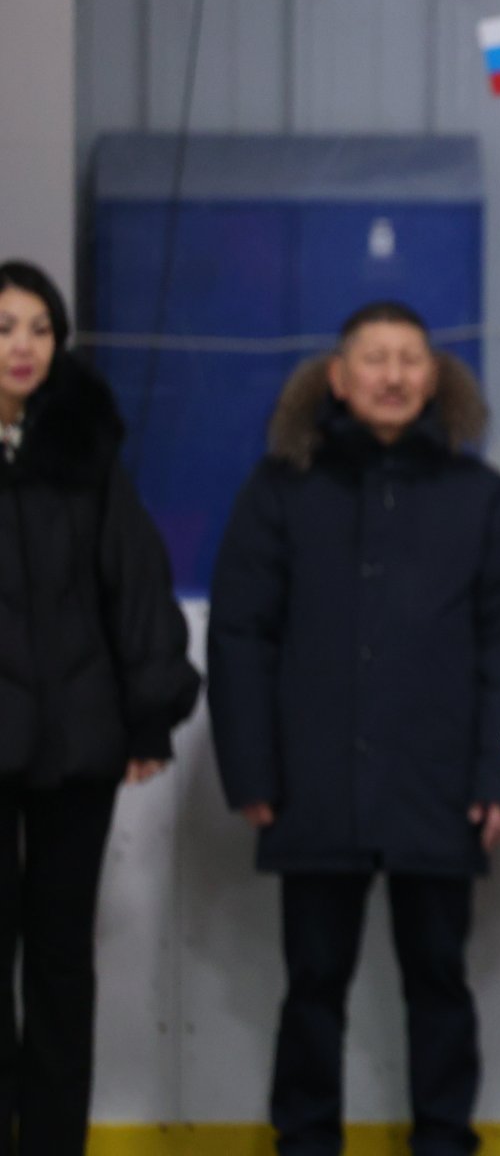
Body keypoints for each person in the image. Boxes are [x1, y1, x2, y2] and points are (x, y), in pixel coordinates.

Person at [208, 301, 500, 1156]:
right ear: (338, 377)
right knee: (313, 982)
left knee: (440, 980)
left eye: (410, 359)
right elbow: (241, 635)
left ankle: (444, 1138)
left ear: (436, 379)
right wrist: (252, 772)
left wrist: (494, 777)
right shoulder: (281, 488)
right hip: (313, 782)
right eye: (374, 358)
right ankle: (305, 1139)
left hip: (440, 785)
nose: (393, 375)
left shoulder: (480, 498)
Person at [0, 259, 200, 1155]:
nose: (23, 346)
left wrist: (150, 712)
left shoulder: (86, 452)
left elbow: (135, 584)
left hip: (72, 745)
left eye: (41, 328)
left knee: (58, 959)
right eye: (5, 327)